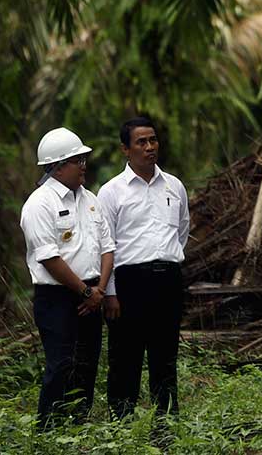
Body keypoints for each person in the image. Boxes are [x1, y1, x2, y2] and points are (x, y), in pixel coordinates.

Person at [19, 127, 114, 429]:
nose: (84, 165)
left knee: (87, 364)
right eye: (77, 160)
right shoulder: (39, 203)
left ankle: (79, 426)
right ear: (57, 166)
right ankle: (48, 430)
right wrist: (86, 293)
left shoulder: (91, 199)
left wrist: (97, 290)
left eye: (84, 159)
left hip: (92, 292)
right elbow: (49, 258)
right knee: (60, 365)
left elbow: (108, 247)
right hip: (58, 297)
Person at [97, 117, 190, 418]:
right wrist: (109, 292)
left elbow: (182, 230)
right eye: (141, 142)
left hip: (168, 280)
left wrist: (168, 259)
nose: (150, 147)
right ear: (126, 149)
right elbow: (105, 244)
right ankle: (121, 422)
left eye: (153, 140)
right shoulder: (111, 192)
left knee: (165, 356)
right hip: (128, 283)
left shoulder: (174, 186)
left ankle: (166, 422)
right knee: (126, 357)